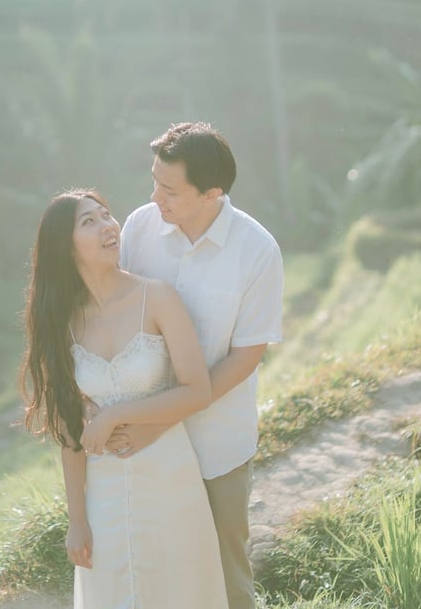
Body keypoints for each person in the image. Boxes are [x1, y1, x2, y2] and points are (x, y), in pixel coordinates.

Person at [20, 188, 228, 609]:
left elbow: (197, 390)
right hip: (103, 494)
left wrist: (115, 415)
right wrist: (76, 522)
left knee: (181, 593)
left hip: (169, 477)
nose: (108, 226)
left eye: (106, 215)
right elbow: (69, 431)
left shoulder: (157, 297)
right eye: (89, 221)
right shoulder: (62, 324)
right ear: (66, 246)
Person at [117, 122, 284, 609]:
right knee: (155, 570)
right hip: (142, 440)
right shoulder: (140, 227)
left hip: (216, 446)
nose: (155, 196)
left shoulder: (257, 251)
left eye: (169, 189)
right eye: (154, 181)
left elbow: (246, 357)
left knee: (226, 577)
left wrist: (164, 418)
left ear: (212, 193)